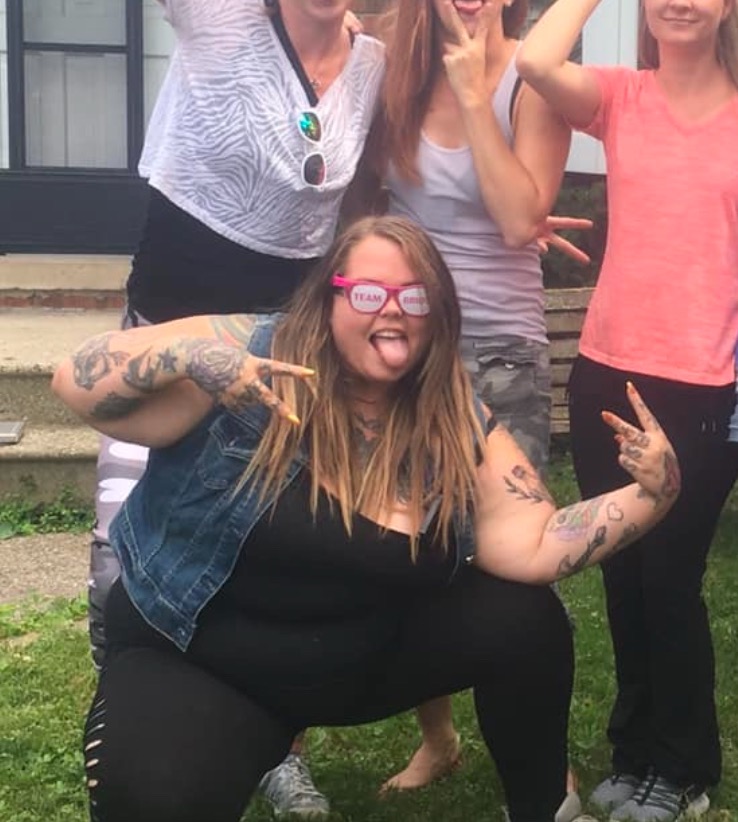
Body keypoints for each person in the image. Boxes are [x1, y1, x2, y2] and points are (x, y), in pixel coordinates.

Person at [54, 215, 680, 822]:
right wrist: (190, 359)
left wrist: (653, 493)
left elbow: (535, 541)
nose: (393, 310)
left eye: (415, 296)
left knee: (524, 617)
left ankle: (545, 808)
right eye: (368, 293)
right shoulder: (250, 353)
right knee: (156, 800)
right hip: (205, 661)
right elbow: (74, 382)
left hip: (355, 659)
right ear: (328, 299)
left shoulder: (450, 413)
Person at [89, 0, 385, 815]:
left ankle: (276, 749)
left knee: (269, 555)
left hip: (279, 352)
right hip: (165, 337)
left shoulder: (372, 63)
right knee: (120, 556)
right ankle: (126, 732)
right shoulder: (216, 14)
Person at [517, 0, 738, 818]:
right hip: (606, 374)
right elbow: (536, 61)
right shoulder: (621, 96)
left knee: (671, 580)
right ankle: (636, 750)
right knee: (623, 577)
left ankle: (684, 771)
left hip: (704, 384)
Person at [365, 0, 589, 791]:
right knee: (409, 547)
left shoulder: (530, 79)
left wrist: (469, 93)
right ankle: (440, 738)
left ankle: (542, 762)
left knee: (513, 562)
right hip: (405, 341)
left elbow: (520, 217)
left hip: (499, 350)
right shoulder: (391, 65)